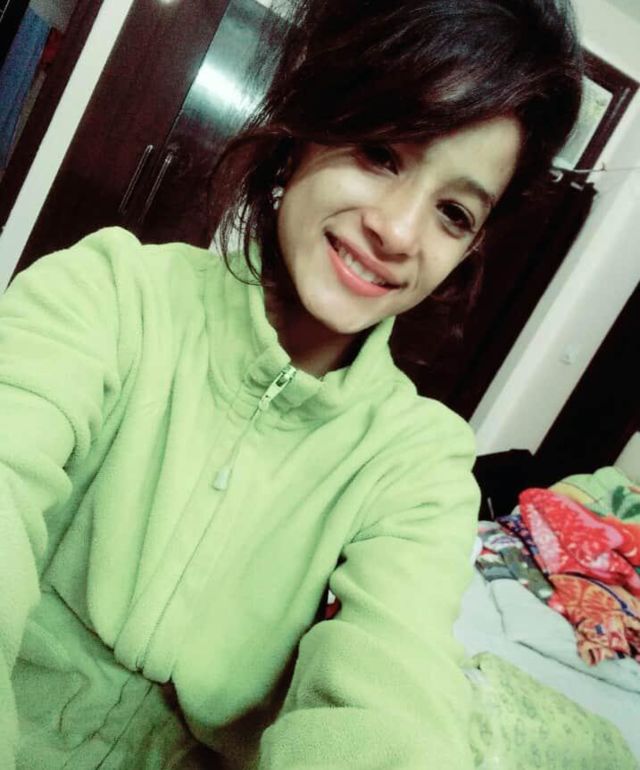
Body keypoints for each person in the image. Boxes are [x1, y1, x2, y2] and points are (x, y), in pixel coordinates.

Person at [0, 1, 582, 768]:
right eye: (381, 153)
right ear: (308, 123)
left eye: (452, 212)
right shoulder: (108, 292)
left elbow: (392, 689)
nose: (398, 232)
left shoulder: (421, 465)